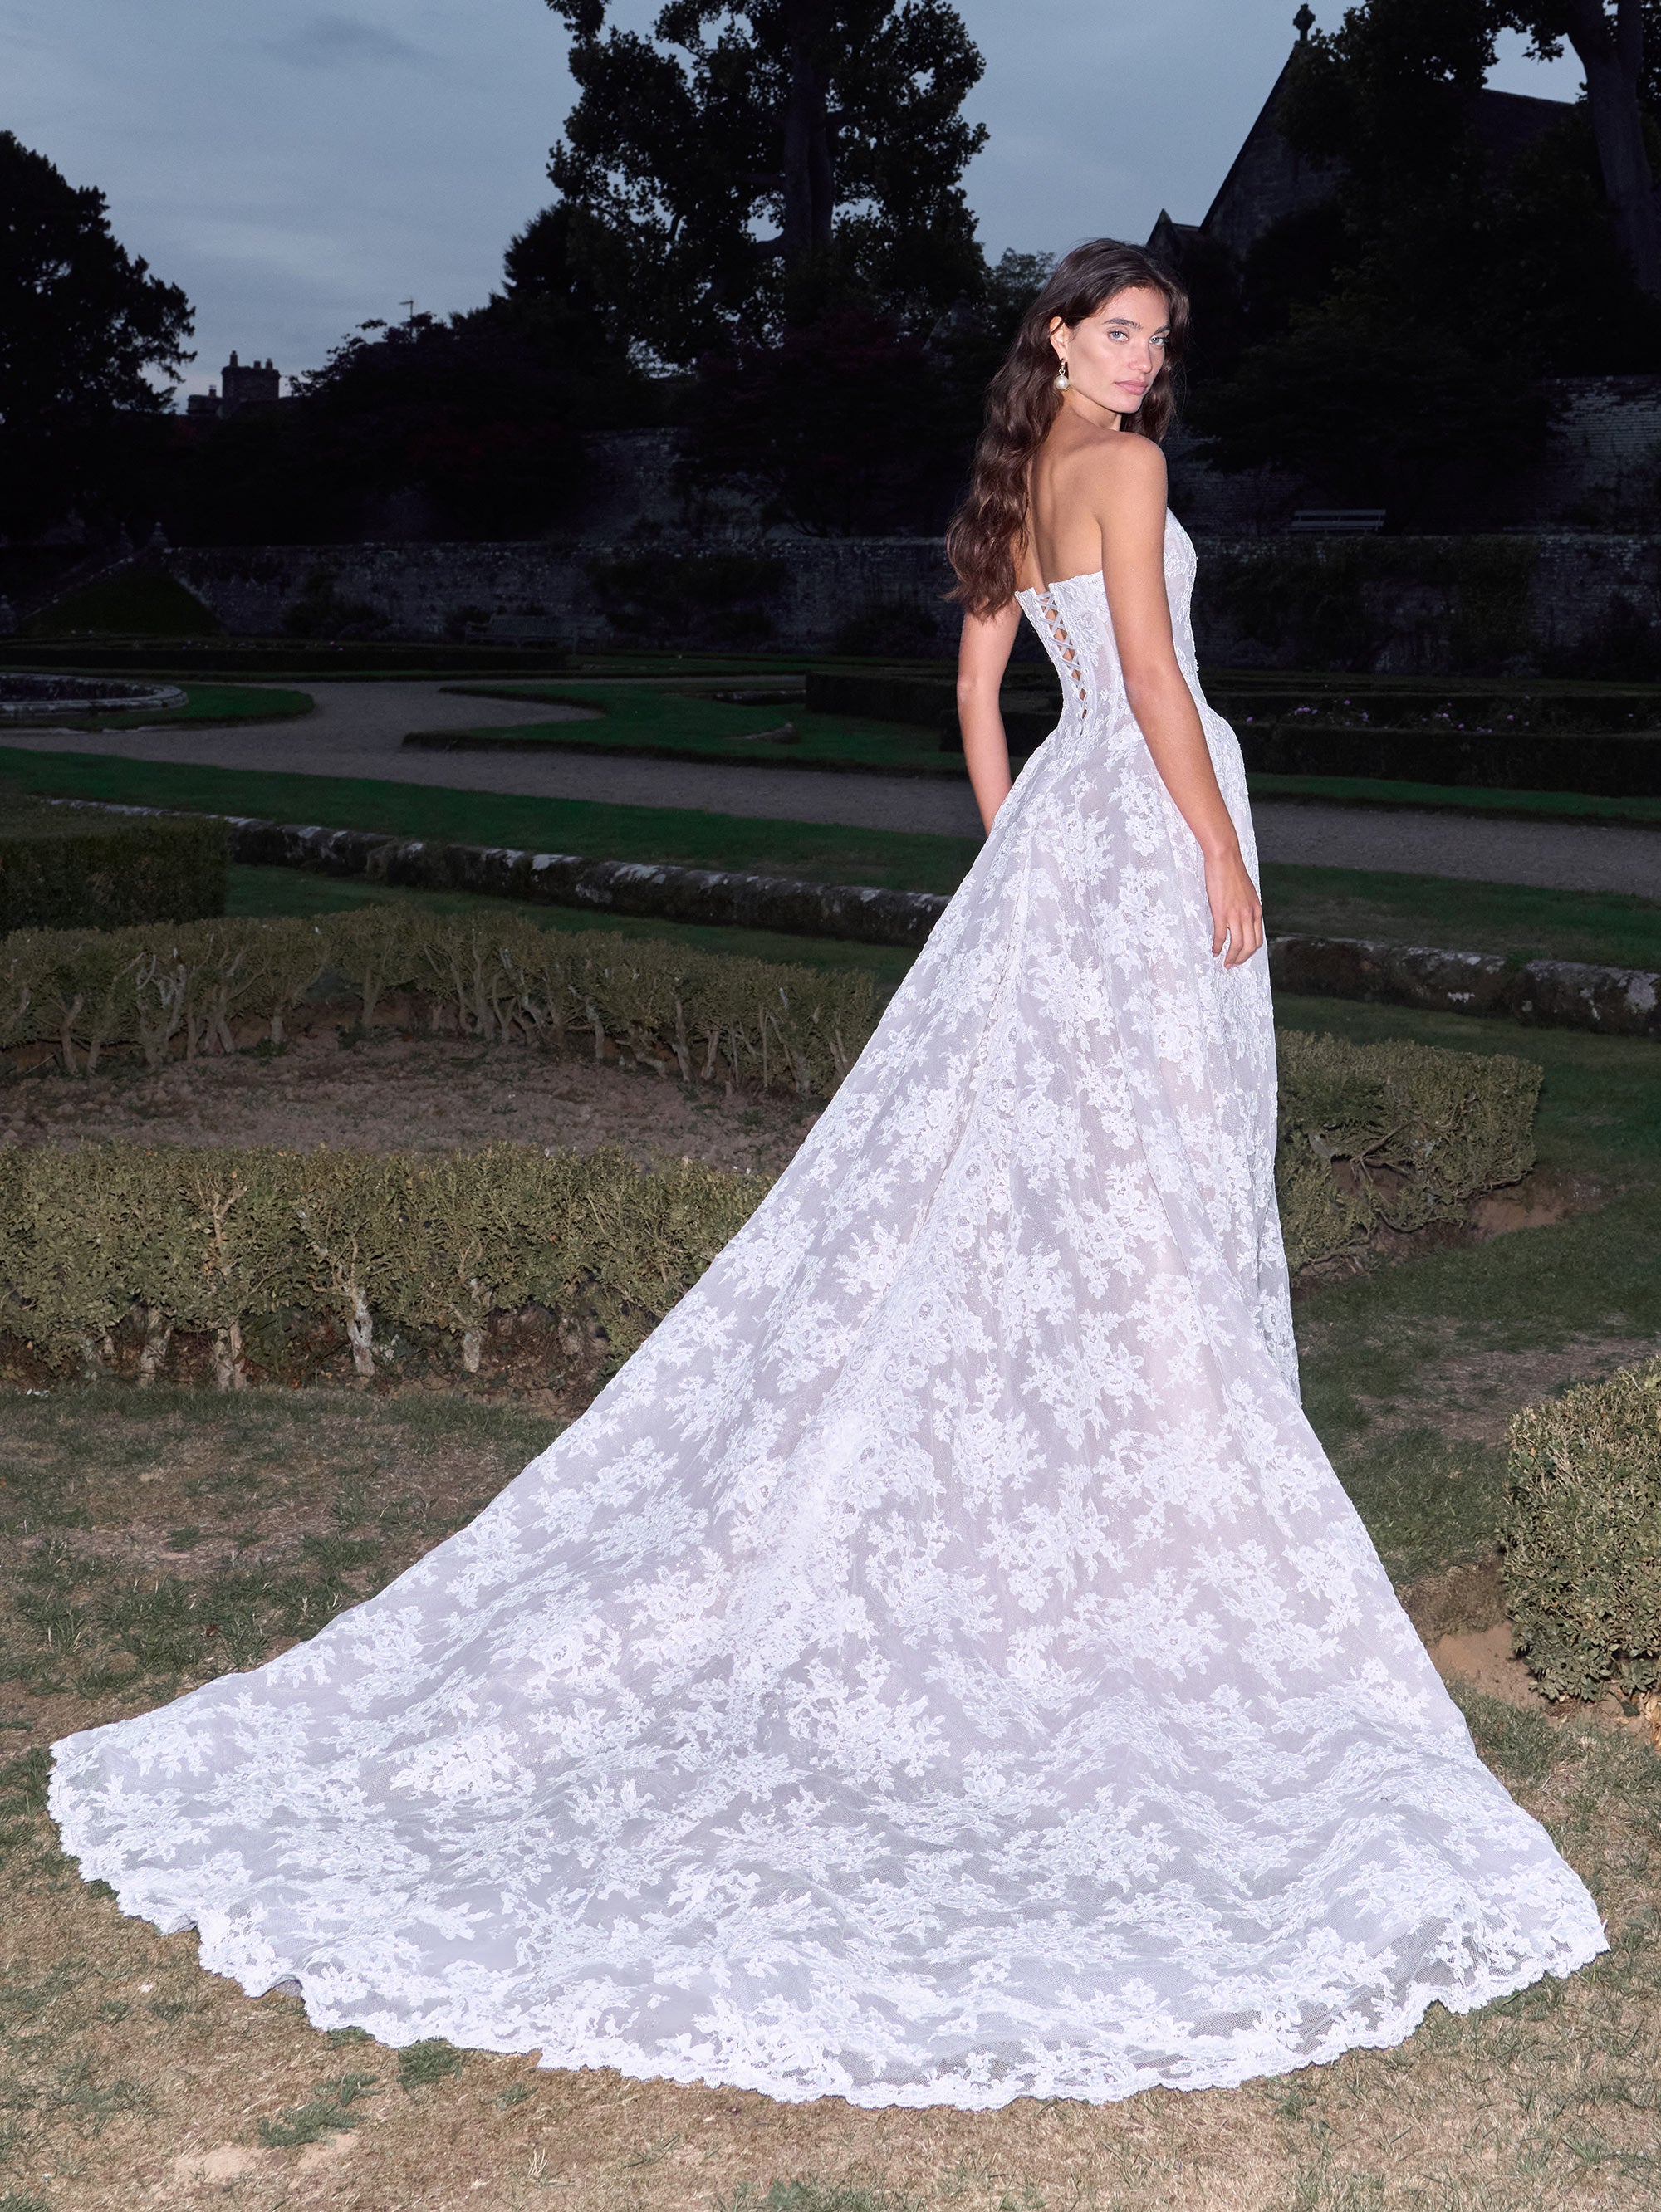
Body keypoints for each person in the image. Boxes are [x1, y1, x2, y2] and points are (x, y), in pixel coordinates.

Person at [48, 239, 1605, 2112]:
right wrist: (1212, 854)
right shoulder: (1117, 473)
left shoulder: (1011, 487)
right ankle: (1159, 1471)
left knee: (1063, 1173)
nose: (1142, 363)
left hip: (1065, 848)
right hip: (1151, 829)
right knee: (1146, 1179)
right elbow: (1169, 698)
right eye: (1117, 333)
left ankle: (1124, 1467)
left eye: (1159, 341)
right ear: (1055, 336)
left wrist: (1026, 838)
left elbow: (978, 691)